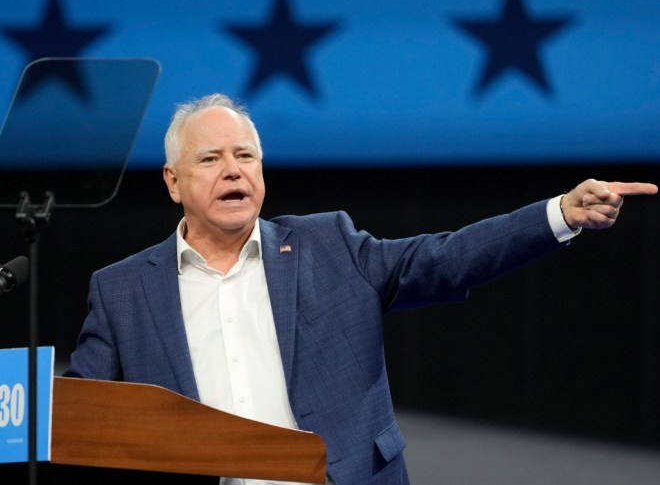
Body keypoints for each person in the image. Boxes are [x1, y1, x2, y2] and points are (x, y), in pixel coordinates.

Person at [61, 93, 657, 485]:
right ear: (173, 181)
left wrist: (559, 214)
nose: (233, 170)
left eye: (245, 155)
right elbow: (82, 419)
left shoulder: (329, 245)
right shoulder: (122, 292)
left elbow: (446, 260)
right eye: (211, 159)